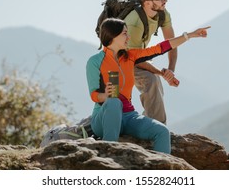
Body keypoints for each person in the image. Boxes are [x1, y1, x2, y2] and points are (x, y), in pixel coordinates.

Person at [86, 18, 210, 154]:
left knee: (162, 131)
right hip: (104, 116)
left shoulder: (130, 56)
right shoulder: (95, 61)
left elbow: (160, 48)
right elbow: (94, 95)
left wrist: (189, 35)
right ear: (113, 36)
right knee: (114, 102)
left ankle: (162, 171)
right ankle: (107, 157)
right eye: (125, 33)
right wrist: (105, 96)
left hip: (128, 116)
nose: (129, 37)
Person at [124, 0, 179, 124]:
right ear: (147, 3)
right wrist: (161, 73)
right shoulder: (133, 23)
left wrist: (171, 70)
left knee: (154, 83)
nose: (165, 1)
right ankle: (156, 129)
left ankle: (152, 125)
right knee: (151, 80)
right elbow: (135, 59)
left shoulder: (162, 14)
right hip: (122, 59)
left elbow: (171, 44)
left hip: (139, 55)